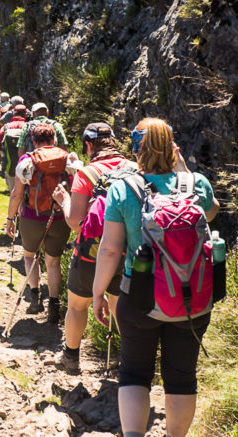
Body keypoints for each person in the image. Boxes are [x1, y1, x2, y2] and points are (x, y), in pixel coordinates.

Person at [93, 118, 220, 437]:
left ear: (136, 149)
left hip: (138, 298)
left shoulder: (123, 188)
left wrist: (97, 293)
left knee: (134, 373)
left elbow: (109, 249)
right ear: (172, 146)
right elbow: (212, 211)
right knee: (181, 377)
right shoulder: (196, 184)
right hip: (191, 299)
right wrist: (183, 169)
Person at [51, 123, 137, 373]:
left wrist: (64, 200)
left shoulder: (87, 174)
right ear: (114, 141)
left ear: (88, 145)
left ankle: (70, 358)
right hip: (128, 252)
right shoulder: (135, 169)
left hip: (92, 252)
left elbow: (76, 223)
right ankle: (131, 362)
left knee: (78, 305)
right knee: (120, 308)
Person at [6, 123, 72, 323]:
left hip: (32, 217)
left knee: (29, 256)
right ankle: (54, 305)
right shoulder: (67, 158)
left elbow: (17, 194)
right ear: (54, 140)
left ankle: (35, 298)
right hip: (60, 217)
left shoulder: (27, 160)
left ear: (33, 141)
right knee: (53, 261)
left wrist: (10, 219)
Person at [0, 104, 28, 192]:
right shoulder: (29, 127)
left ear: (13, 114)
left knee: (13, 196)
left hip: (11, 169)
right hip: (27, 170)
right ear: (26, 115)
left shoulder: (6, 127)